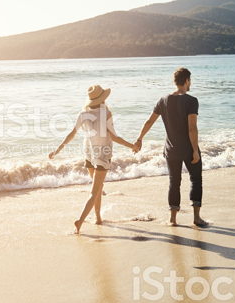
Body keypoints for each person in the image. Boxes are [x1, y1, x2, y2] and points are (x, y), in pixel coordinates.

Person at [49, 84, 139, 233]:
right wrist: (132, 146)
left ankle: (98, 218)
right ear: (102, 98)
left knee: (98, 188)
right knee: (94, 191)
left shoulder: (83, 114)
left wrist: (57, 150)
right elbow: (115, 137)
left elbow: (71, 134)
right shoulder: (107, 114)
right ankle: (80, 221)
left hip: (89, 155)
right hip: (103, 155)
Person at [135, 67, 207, 227]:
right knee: (196, 180)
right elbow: (192, 128)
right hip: (188, 149)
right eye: (190, 80)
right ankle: (196, 218)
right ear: (187, 81)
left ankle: (172, 220)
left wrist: (139, 138)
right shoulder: (191, 100)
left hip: (171, 149)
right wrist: (195, 150)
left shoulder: (163, 100)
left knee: (174, 182)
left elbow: (149, 121)